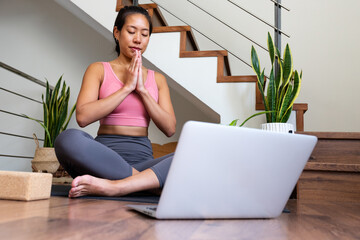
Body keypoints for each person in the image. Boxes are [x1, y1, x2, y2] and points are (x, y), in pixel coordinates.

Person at [54, 6, 176, 198]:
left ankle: (115, 186)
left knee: (197, 153)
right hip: (102, 160)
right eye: (131, 31)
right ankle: (144, 184)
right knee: (67, 139)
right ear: (117, 32)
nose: (138, 39)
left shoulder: (158, 79)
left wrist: (142, 90)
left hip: (144, 162)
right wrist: (127, 88)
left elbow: (170, 128)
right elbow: (83, 117)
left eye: (144, 34)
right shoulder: (98, 69)